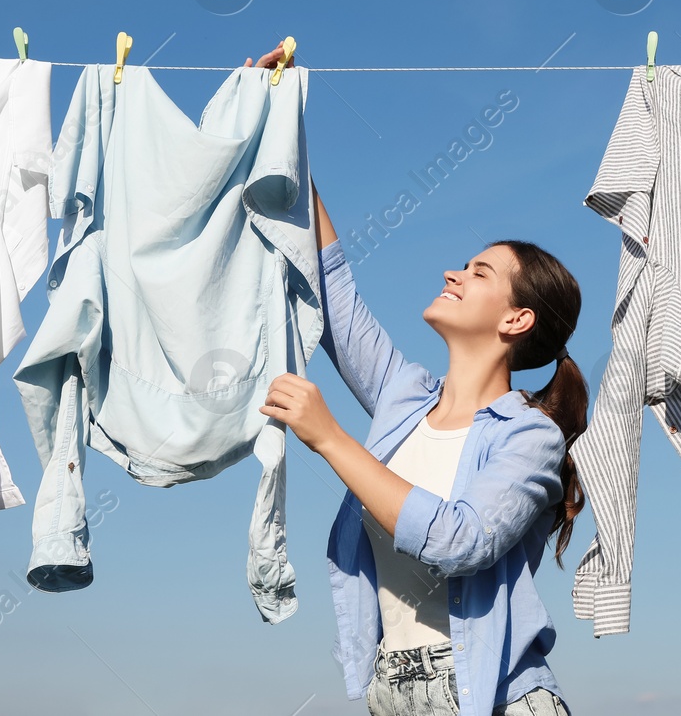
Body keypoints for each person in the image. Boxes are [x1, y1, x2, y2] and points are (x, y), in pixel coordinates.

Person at [247, 41, 586, 716]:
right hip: (391, 695)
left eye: (479, 272)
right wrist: (284, 128)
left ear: (517, 318)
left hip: (495, 697)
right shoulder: (404, 395)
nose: (452, 273)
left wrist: (331, 439)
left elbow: (459, 541)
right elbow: (332, 287)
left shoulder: (531, 437)